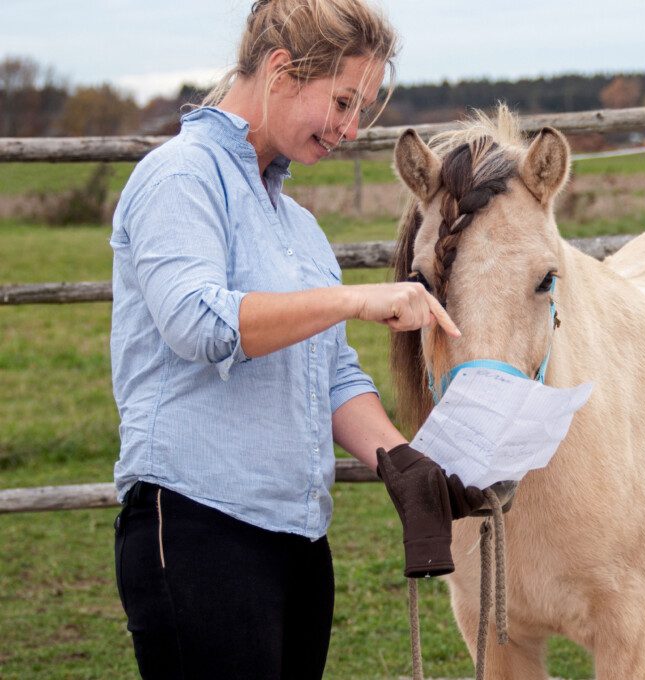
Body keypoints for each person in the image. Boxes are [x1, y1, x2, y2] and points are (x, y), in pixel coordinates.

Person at [109, 1, 485, 677]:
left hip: (297, 537)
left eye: (361, 109)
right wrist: (354, 298)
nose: (349, 128)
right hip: (198, 523)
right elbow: (200, 323)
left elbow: (331, 374)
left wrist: (403, 463)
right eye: (342, 101)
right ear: (281, 70)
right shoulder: (179, 178)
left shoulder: (297, 227)